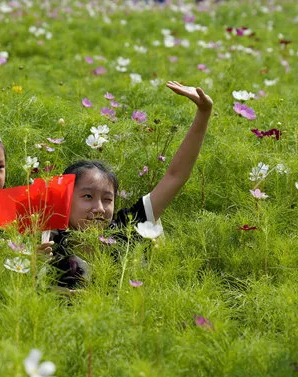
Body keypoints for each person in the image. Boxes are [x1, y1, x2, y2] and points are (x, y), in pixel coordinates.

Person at [50, 81, 213, 288]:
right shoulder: (49, 243)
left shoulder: (126, 230)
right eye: (88, 196)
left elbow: (176, 176)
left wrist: (204, 112)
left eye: (108, 199)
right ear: (65, 199)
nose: (99, 208)